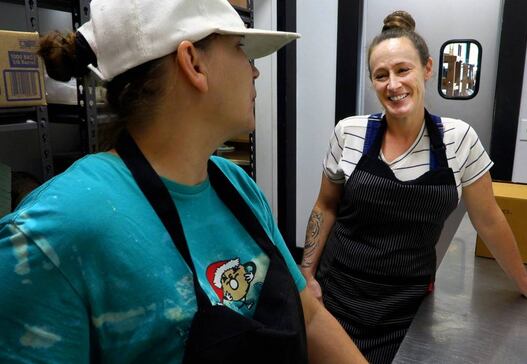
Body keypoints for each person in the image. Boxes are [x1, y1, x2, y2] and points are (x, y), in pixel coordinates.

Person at [0, 0, 367, 363]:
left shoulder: (238, 186)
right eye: (239, 48)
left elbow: (311, 317)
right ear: (193, 63)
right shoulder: (54, 231)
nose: (254, 72)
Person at [300, 10, 527, 364]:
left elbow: (489, 219)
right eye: (381, 75)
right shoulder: (349, 132)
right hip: (338, 294)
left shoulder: (459, 138)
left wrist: (526, 285)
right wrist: (306, 274)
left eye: (403, 70)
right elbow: (326, 205)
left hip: (405, 306)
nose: (393, 84)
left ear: (427, 69)